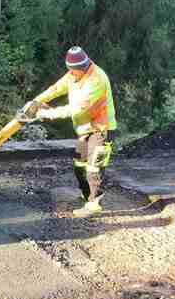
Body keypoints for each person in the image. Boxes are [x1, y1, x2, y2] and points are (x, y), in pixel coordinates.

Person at [28, 46, 117, 217]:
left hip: (101, 129)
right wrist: (36, 101)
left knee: (94, 167)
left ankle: (94, 204)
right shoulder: (73, 73)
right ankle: (87, 197)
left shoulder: (97, 79)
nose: (75, 74)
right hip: (85, 130)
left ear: (85, 65)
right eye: (73, 71)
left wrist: (45, 113)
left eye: (78, 70)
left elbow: (76, 109)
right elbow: (56, 89)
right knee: (79, 166)